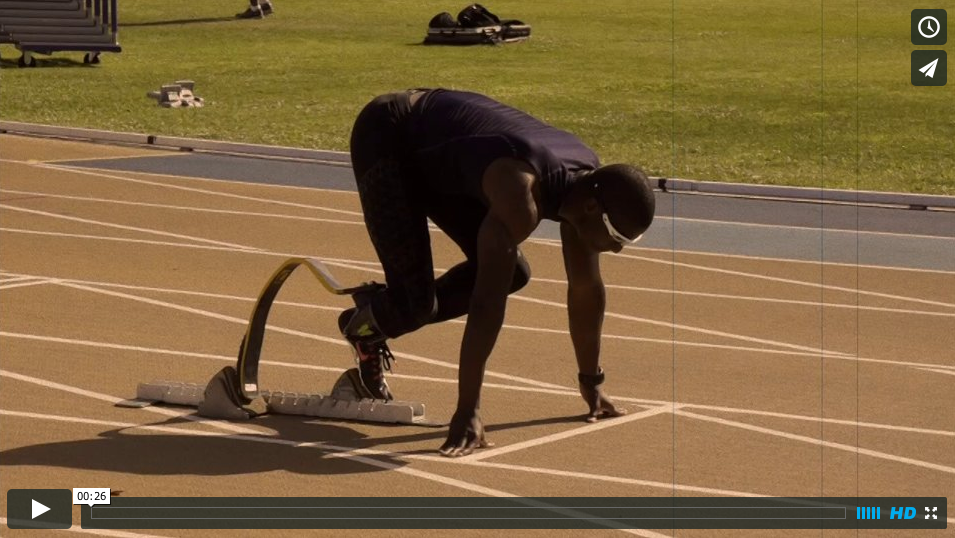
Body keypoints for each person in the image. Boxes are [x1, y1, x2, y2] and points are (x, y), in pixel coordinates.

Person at [336, 88, 656, 457]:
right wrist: (467, 411)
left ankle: (382, 309)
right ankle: (366, 324)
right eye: (616, 236)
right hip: (389, 136)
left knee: (514, 272)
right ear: (591, 208)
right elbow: (486, 305)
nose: (617, 249)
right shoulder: (519, 195)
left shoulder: (586, 189)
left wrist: (592, 382)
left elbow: (585, 288)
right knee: (415, 305)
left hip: (445, 159)